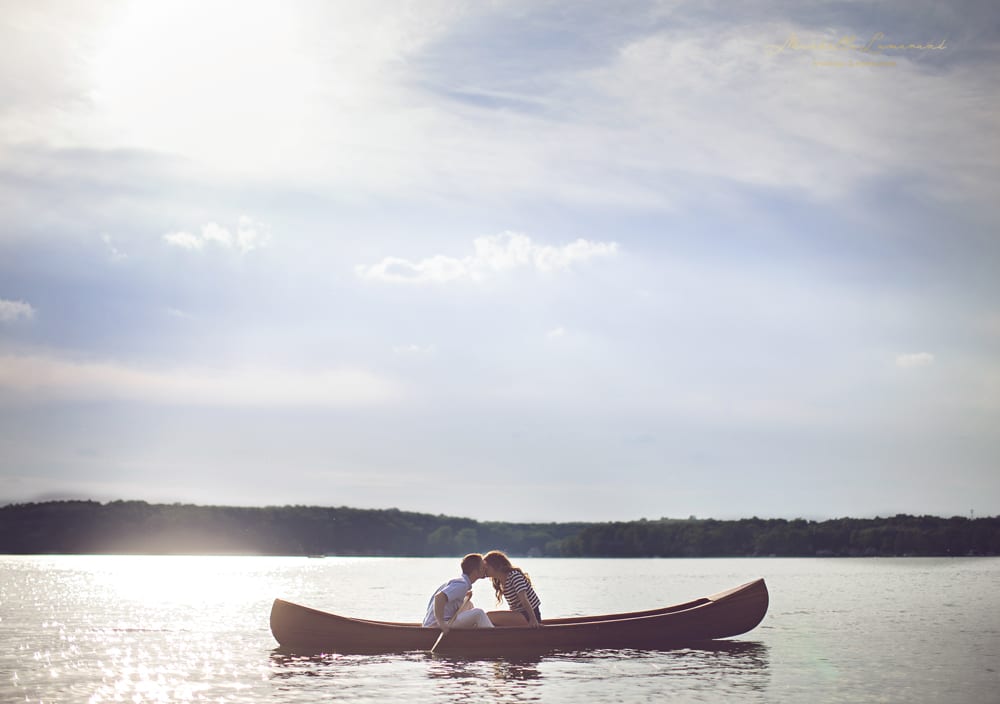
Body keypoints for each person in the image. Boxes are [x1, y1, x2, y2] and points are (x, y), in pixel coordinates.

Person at [422, 553, 494, 632]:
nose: (485, 568)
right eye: (482, 566)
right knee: (479, 613)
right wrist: (441, 623)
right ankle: (494, 637)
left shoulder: (461, 583)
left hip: (441, 623)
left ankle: (475, 635)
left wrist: (464, 597)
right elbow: (439, 597)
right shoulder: (462, 585)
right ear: (475, 571)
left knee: (469, 604)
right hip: (437, 626)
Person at [484, 550, 542, 628]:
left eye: (486, 567)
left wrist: (533, 620)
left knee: (488, 616)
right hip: (519, 615)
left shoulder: (514, 576)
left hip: (529, 616)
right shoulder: (500, 581)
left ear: (495, 566)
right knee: (491, 620)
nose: (484, 570)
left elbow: (524, 599)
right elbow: (514, 606)